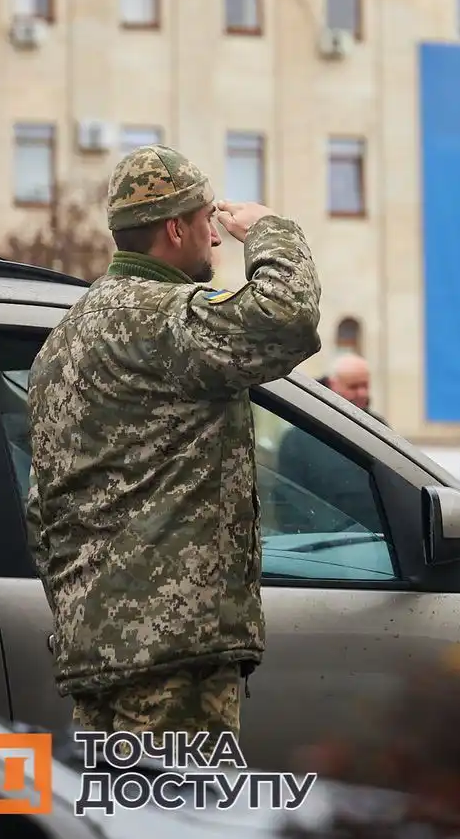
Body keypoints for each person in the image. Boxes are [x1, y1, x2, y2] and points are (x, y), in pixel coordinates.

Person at [25, 144, 321, 747]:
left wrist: (90, 609)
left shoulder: (62, 342)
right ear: (176, 227)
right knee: (184, 818)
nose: (217, 238)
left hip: (95, 652)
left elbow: (42, 509)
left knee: (113, 819)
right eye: (209, 221)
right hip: (172, 654)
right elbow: (286, 320)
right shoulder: (164, 320)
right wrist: (268, 230)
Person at [274, 353, 386, 529]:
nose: (362, 393)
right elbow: (290, 504)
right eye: (354, 386)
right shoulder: (299, 439)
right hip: (324, 548)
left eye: (365, 385)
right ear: (333, 385)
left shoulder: (379, 430)